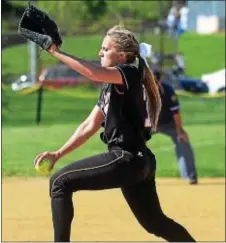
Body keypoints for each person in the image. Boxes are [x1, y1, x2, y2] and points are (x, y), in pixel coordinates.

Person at [34, 25, 196, 242]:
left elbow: (91, 72)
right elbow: (89, 124)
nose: (100, 53)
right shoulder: (112, 86)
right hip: (139, 162)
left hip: (126, 158)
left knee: (59, 182)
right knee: (155, 223)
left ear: (121, 55)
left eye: (105, 49)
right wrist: (58, 154)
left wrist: (55, 52)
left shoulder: (130, 71)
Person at [144, 69, 198, 185]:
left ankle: (190, 176)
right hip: (148, 124)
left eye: (156, 81)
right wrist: (140, 134)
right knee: (134, 146)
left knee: (183, 140)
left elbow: (176, 113)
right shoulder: (142, 91)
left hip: (168, 124)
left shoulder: (168, 91)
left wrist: (180, 131)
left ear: (160, 81)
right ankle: (136, 177)